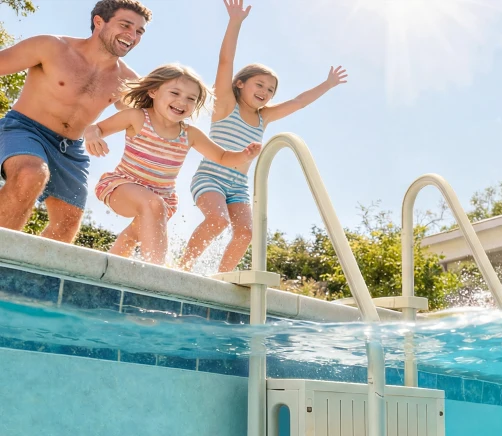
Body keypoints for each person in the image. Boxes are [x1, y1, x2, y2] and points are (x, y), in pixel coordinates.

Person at [177, 0, 347, 273]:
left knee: (246, 233)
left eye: (270, 90)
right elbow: (225, 62)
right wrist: (235, 23)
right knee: (218, 221)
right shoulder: (225, 105)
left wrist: (327, 85)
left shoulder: (263, 117)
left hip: (238, 186)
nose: (265, 92)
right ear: (240, 83)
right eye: (260, 84)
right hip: (210, 178)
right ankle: (182, 268)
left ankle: (220, 278)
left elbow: (299, 102)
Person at [0, 0, 151, 242]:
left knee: (68, 222)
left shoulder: (128, 81)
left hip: (69, 149)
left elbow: (151, 119)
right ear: (99, 22)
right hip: (24, 129)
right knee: (30, 174)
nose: (132, 36)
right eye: (125, 25)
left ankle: (23, 268)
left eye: (139, 31)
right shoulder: (51, 47)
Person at [87, 64, 262, 265]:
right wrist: (92, 136)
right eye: (175, 93)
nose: (182, 101)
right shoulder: (137, 117)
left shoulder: (190, 134)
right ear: (153, 92)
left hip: (162, 200)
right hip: (121, 187)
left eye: (191, 98)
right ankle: (157, 273)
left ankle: (107, 272)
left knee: (131, 237)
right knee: (153, 204)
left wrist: (244, 155)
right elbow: (95, 128)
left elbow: (222, 157)